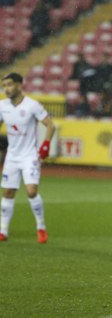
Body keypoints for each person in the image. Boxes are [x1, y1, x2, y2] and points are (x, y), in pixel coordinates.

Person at [0, 73, 56, 243]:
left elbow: (50, 124)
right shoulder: (2, 106)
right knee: (8, 192)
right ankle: (3, 231)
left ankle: (41, 227)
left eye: (9, 85)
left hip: (29, 155)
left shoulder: (32, 105)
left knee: (31, 191)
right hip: (12, 156)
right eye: (4, 85)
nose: (6, 89)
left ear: (19, 85)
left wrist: (46, 144)